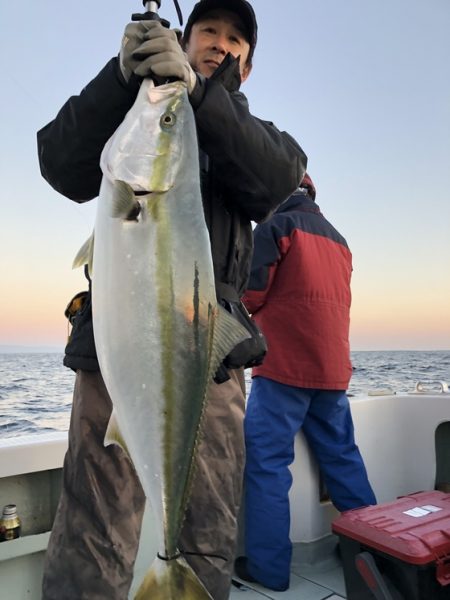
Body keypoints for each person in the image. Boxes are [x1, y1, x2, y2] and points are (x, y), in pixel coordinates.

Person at [37, 1, 307, 599]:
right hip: (114, 346)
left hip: (209, 355)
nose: (221, 42)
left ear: (249, 65)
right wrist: (119, 76)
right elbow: (59, 162)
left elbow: (276, 177)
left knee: (206, 522)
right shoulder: (134, 114)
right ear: (183, 41)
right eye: (208, 29)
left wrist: (203, 99)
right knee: (93, 526)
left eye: (237, 38)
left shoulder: (256, 139)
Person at [234, 179, 377, 592]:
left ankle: (269, 569)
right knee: (343, 459)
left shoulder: (276, 227)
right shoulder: (340, 240)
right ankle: (373, 554)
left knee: (267, 466)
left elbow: (250, 294)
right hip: (332, 369)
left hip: (283, 366)